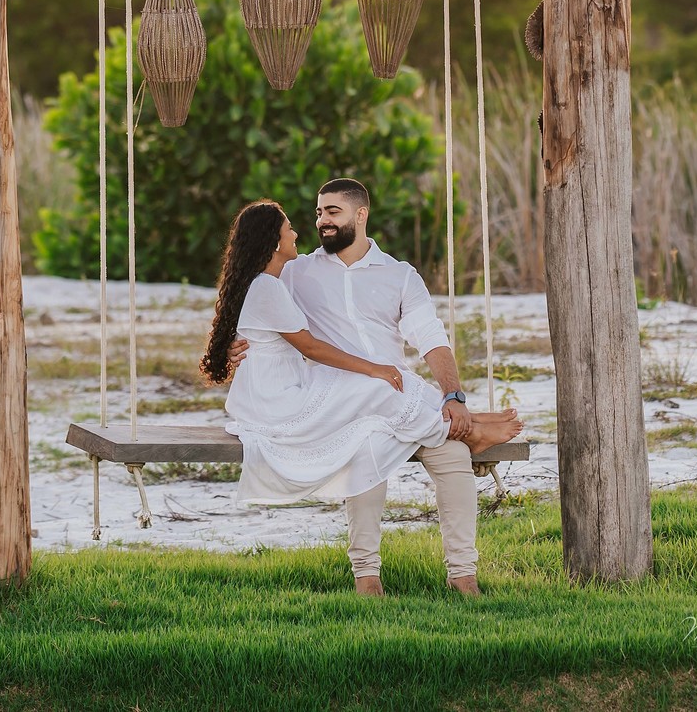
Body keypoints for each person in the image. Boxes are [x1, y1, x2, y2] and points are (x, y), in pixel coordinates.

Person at [201, 197, 521, 593]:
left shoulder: (399, 274)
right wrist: (233, 349)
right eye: (317, 213)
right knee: (369, 432)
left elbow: (429, 335)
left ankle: (463, 575)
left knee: (450, 450)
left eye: (332, 212)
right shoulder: (292, 272)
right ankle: (367, 576)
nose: (318, 221)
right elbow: (254, 312)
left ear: (361, 214)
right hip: (334, 399)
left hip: (390, 399)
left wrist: (453, 394)